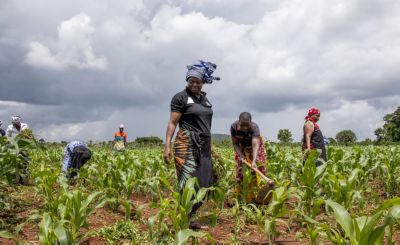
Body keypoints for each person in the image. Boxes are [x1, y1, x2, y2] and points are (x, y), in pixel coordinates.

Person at [163, 60, 220, 229]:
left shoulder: (204, 99)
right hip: (186, 144)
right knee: (188, 183)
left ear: (203, 82)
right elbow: (172, 123)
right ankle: (181, 220)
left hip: (204, 146)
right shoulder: (180, 97)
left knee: (204, 184)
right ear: (187, 81)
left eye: (198, 81)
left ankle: (188, 217)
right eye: (191, 81)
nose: (194, 84)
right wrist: (167, 145)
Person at [231, 112, 273, 202]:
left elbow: (255, 145)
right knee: (241, 170)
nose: (245, 128)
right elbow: (235, 144)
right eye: (242, 125)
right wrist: (241, 156)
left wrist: (254, 161)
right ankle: (243, 197)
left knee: (259, 166)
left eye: (247, 125)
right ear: (239, 122)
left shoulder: (254, 127)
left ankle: (260, 195)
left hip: (255, 148)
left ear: (250, 123)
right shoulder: (234, 127)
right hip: (241, 147)